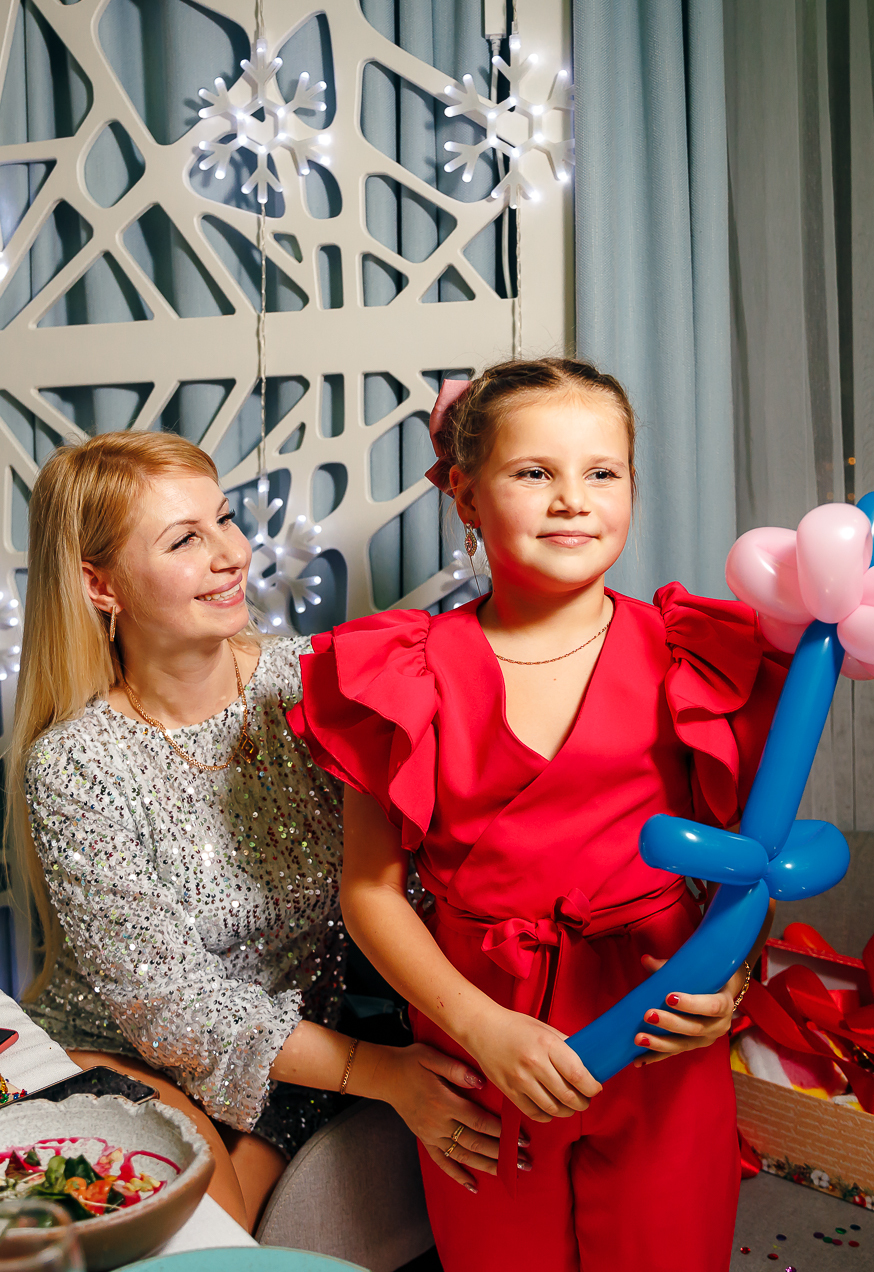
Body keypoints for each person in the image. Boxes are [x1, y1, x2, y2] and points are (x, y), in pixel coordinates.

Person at [288, 359, 787, 1270]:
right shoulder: (400, 672)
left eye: (602, 472)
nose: (572, 501)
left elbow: (750, 859)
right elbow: (371, 893)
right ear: (466, 496)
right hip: (480, 1043)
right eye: (533, 472)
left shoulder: (693, 654)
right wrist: (483, 1028)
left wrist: (732, 983)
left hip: (656, 1033)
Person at [8, 430, 512, 1232]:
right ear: (101, 586)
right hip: (123, 1045)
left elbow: (431, 872)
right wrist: (388, 1075)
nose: (230, 554)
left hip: (296, 1048)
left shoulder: (323, 684)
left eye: (224, 519)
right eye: (183, 540)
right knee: (202, 1231)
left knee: (228, 1234)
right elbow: (170, 1009)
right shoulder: (75, 763)